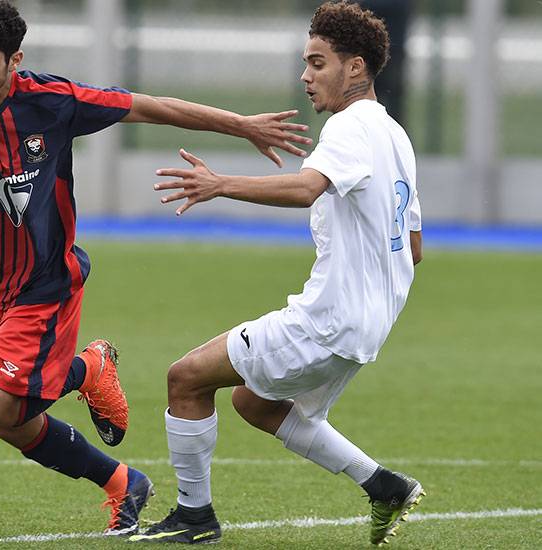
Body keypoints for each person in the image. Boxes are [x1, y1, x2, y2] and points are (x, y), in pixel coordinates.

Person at [0, 0, 311, 536]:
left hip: (44, 283)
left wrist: (240, 125)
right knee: (13, 424)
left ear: (14, 60)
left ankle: (87, 368)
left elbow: (151, 106)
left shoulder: (53, 102)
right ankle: (122, 480)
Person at [130, 1, 423, 545]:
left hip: (329, 321)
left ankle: (195, 519)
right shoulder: (396, 137)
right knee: (253, 401)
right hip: (367, 327)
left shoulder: (350, 126)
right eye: (305, 64)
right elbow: (414, 246)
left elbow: (306, 187)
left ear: (355, 67)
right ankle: (384, 485)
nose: (305, 77)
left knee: (185, 378)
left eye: (317, 63)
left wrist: (221, 184)